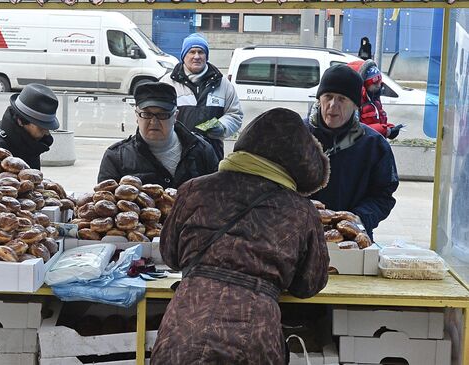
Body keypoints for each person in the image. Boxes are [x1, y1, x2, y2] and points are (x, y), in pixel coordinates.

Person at [151, 108, 330, 364]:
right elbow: (309, 285)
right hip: (255, 336)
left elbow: (170, 256)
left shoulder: (194, 190)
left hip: (186, 326)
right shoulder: (301, 211)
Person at [306, 64, 399, 239]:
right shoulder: (297, 135)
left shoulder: (374, 145)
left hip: (351, 240)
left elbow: (383, 196)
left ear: (356, 105)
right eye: (328, 96)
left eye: (342, 99)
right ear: (319, 99)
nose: (333, 105)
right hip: (299, 236)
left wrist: (358, 219)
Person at [98, 82, 218, 188]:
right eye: (146, 114)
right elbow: (104, 204)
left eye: (162, 115)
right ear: (136, 115)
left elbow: (218, 197)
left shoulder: (201, 150)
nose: (154, 122)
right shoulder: (116, 158)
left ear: (175, 116)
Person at [160, 33, 242, 160]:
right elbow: (158, 116)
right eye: (192, 52)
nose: (196, 56)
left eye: (201, 52)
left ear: (206, 56)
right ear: (183, 56)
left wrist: (222, 125)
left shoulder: (223, 83)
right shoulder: (167, 83)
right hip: (176, 153)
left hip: (212, 154)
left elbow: (235, 114)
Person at [0, 83, 59, 169]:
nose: (47, 133)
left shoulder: (33, 143)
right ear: (20, 121)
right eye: (41, 127)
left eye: (48, 128)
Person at [348, 59, 404, 139]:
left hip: (374, 144)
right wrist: (385, 130)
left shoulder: (374, 99)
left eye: (380, 82)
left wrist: (390, 127)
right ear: (364, 84)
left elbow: (379, 121)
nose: (378, 86)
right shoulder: (355, 102)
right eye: (374, 83)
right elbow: (356, 129)